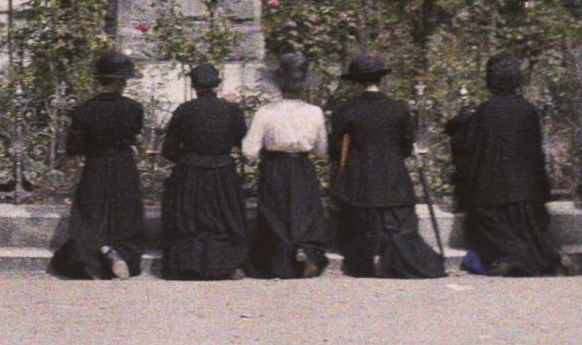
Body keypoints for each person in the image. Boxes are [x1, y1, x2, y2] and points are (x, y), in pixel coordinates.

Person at [443, 53, 564, 276]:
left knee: (490, 228)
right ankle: (532, 257)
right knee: (530, 234)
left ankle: (510, 258)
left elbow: (467, 147)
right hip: (527, 196)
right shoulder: (528, 111)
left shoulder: (485, 111)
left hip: (493, 196)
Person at [329, 54, 446, 278]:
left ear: (356, 83)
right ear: (380, 80)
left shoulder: (348, 109)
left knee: (360, 228)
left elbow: (335, 148)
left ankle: (370, 256)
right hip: (395, 183)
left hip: (360, 185)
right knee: (400, 228)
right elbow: (406, 147)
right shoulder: (398, 109)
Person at [48, 51, 148, 279]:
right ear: (118, 80)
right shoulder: (133, 108)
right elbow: (133, 135)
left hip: (97, 166)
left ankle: (101, 251)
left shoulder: (84, 110)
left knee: (90, 215)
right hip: (124, 166)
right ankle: (121, 253)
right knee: (126, 215)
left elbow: (75, 147)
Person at [241, 52, 330, 278]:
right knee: (306, 212)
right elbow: (321, 151)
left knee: (274, 213)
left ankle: (279, 255)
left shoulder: (265, 113)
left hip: (275, 166)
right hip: (302, 165)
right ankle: (305, 249)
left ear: (278, 83)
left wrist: (254, 158)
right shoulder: (315, 112)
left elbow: (249, 150)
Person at [158, 62, 250, 280]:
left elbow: (168, 149)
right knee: (224, 221)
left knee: (190, 222)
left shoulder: (184, 110)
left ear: (195, 86)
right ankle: (228, 264)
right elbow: (242, 142)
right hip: (223, 173)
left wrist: (189, 159)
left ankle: (188, 265)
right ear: (216, 85)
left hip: (191, 175)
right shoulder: (232, 110)